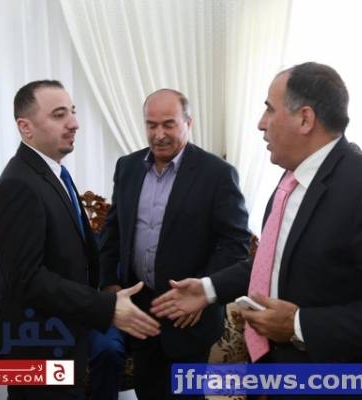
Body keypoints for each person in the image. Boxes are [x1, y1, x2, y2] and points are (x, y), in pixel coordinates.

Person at [152, 63, 362, 375]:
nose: (260, 123)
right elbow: (276, 263)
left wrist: (299, 325)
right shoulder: (290, 181)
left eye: (269, 109)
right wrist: (208, 289)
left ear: (305, 119)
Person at [0, 80, 160, 400]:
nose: (74, 123)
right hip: (38, 345)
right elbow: (27, 280)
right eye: (59, 115)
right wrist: (106, 306)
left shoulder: (51, 173)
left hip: (64, 336)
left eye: (73, 111)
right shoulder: (19, 185)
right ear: (26, 127)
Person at [99, 88, 251, 399]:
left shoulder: (218, 174)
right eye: (151, 125)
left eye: (168, 124)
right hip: (141, 313)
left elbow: (235, 244)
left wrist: (203, 293)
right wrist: (109, 284)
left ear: (188, 123)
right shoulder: (127, 167)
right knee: (147, 392)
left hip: (189, 318)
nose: (159, 135)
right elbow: (112, 232)